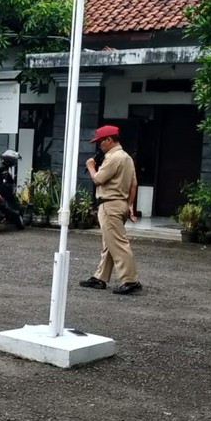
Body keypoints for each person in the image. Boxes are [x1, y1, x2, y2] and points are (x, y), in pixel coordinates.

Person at [82, 125, 142, 294]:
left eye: (100, 141)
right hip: (120, 203)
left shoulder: (114, 157)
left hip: (110, 204)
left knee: (118, 243)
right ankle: (100, 277)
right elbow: (133, 185)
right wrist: (129, 205)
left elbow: (98, 179)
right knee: (110, 243)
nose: (99, 145)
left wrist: (91, 166)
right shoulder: (127, 158)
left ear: (108, 140)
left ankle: (130, 280)